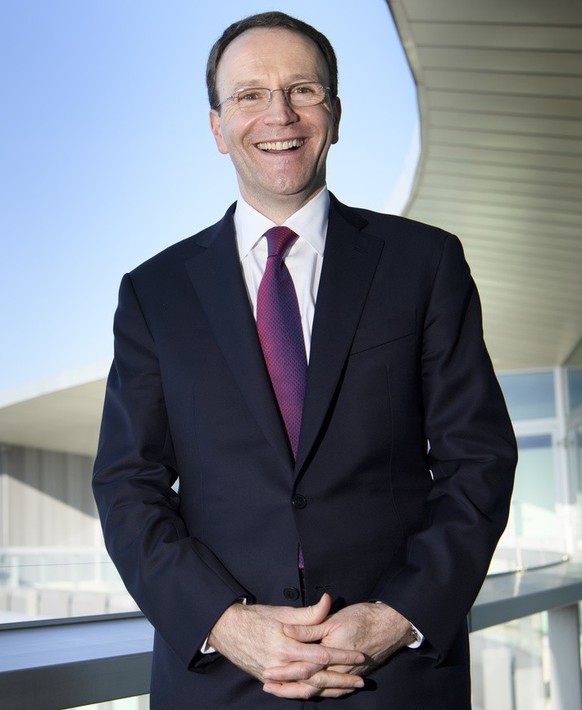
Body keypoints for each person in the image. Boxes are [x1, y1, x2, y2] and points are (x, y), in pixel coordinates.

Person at [92, 11, 517, 709]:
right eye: (249, 95)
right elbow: (126, 484)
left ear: (335, 113)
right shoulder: (154, 293)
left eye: (303, 90)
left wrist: (393, 618)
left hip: (394, 678)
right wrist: (224, 626)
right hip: (221, 680)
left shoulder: (424, 264)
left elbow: (479, 459)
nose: (278, 114)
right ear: (216, 126)